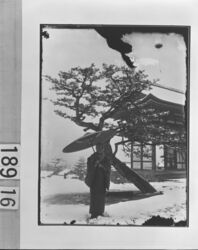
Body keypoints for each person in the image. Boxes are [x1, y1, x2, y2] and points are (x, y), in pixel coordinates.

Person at [85, 142, 112, 219]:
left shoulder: (106, 158)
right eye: (97, 148)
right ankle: (93, 213)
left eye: (101, 148)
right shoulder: (92, 157)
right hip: (94, 180)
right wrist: (94, 165)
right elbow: (89, 168)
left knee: (101, 197)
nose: (99, 149)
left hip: (102, 180)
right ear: (96, 148)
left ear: (103, 149)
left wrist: (102, 166)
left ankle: (100, 212)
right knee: (94, 196)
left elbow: (108, 168)